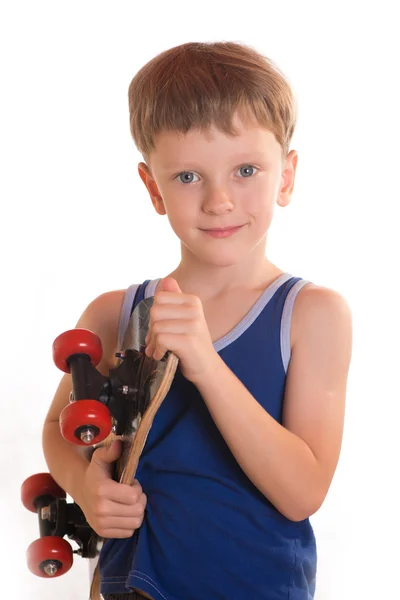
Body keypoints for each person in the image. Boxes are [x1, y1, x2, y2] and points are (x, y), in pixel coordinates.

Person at [42, 41, 353, 600]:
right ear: (152, 188)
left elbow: (303, 492)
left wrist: (206, 364)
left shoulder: (312, 314)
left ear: (286, 177)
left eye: (246, 170)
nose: (219, 200)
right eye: (187, 177)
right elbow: (57, 432)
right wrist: (86, 490)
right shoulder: (117, 314)